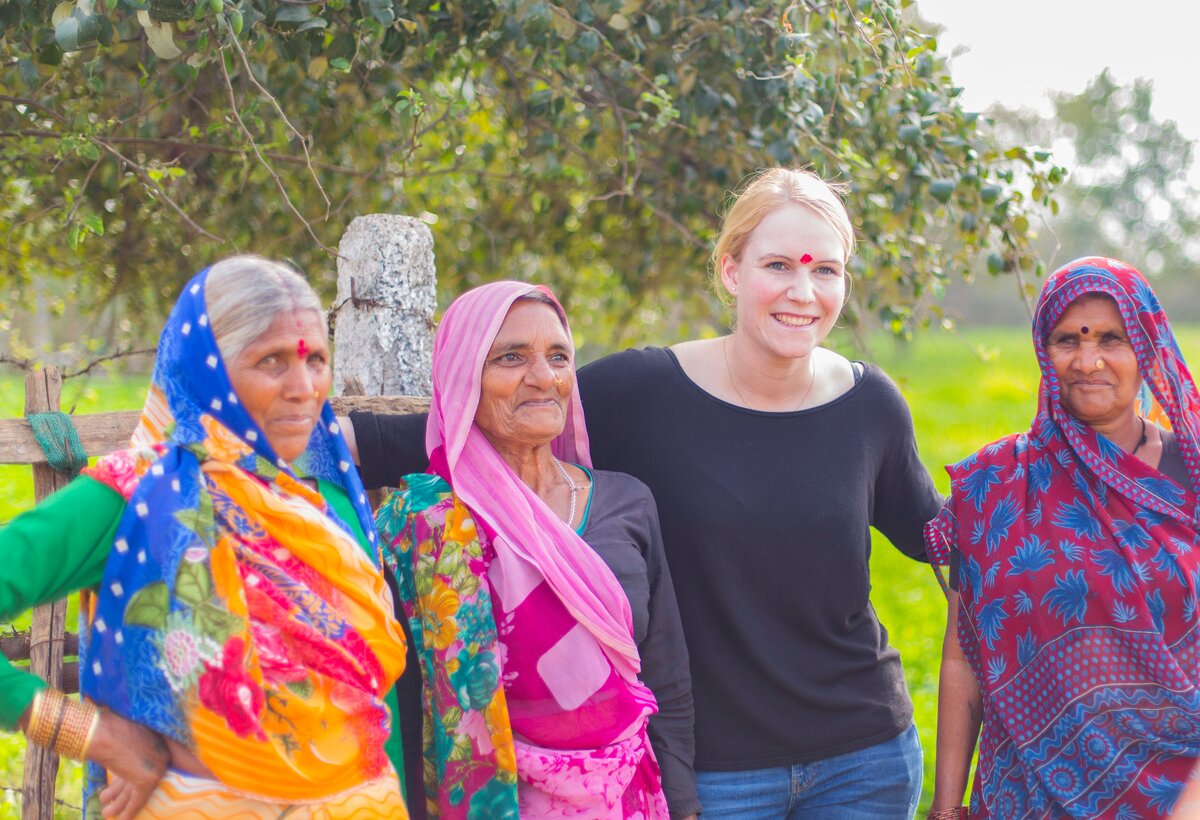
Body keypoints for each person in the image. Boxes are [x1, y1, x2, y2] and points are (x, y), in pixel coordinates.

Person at [346, 167, 941, 817]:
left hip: (864, 761)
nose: (803, 291)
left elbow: (952, 545)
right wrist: (292, 428)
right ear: (731, 270)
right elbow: (473, 415)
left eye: (826, 270)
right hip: (716, 774)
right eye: (778, 265)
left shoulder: (870, 405)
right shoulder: (647, 390)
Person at [0, 256, 410, 819]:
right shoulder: (134, 495)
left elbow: (364, 707)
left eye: (315, 360)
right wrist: (94, 736)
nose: (303, 388)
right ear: (207, 369)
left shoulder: (324, 504)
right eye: (272, 361)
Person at [374, 281, 695, 818]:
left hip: (629, 799)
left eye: (558, 356)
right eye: (511, 357)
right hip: (497, 803)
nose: (544, 378)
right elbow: (405, 707)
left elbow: (666, 672)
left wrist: (683, 806)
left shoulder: (627, 500)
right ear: (462, 380)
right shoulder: (424, 528)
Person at [925, 256, 1200, 818]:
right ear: (1043, 351)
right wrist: (946, 807)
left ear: (1145, 347)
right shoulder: (994, 485)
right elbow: (961, 657)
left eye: (1111, 338)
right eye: (1066, 339)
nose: (1088, 360)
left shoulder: (1191, 475)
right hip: (1026, 797)